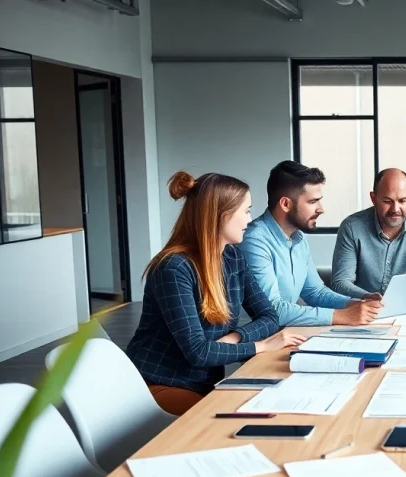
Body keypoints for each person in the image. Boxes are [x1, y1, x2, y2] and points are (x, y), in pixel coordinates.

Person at [127, 171, 305, 416]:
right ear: (221, 215)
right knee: (240, 418)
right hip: (161, 384)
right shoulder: (173, 268)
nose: (249, 221)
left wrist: (232, 339)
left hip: (203, 383)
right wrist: (260, 347)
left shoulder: (233, 258)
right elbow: (198, 353)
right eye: (246, 211)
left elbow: (269, 317)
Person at [240, 161, 383, 327]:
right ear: (285, 204)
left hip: (285, 334)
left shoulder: (298, 238)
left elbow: (315, 292)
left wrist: (356, 303)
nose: (321, 209)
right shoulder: (254, 241)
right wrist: (342, 316)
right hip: (253, 343)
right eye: (312, 201)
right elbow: (273, 310)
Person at [331, 168, 406, 308]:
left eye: (403, 201)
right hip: (362, 310)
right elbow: (340, 283)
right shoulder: (352, 227)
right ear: (373, 198)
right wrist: (366, 296)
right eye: (387, 201)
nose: (395, 209)